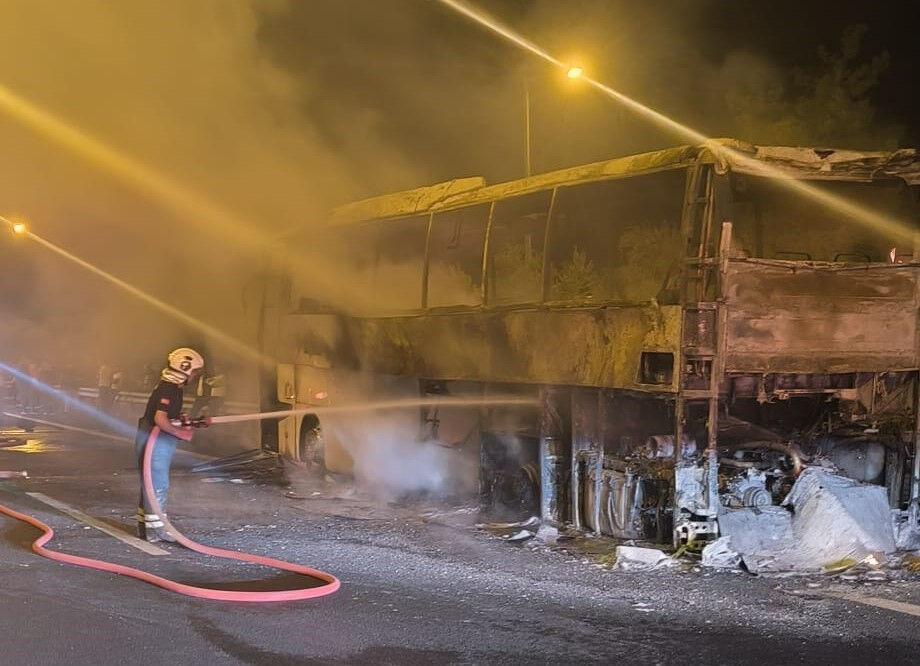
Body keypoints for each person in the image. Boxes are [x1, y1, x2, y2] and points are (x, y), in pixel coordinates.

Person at [135, 347, 204, 543]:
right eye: (195, 372)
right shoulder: (169, 389)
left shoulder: (172, 388)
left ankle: (147, 529)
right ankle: (158, 531)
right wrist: (179, 432)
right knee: (157, 484)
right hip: (154, 441)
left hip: (153, 439)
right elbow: (160, 418)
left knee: (150, 483)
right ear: (185, 369)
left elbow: (167, 415)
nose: (196, 376)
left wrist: (180, 419)